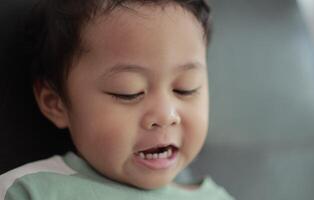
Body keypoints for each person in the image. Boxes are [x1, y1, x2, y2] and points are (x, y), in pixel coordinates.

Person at [0, 0, 234, 199]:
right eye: (128, 92)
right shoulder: (32, 191)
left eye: (186, 88)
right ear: (56, 103)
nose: (166, 115)